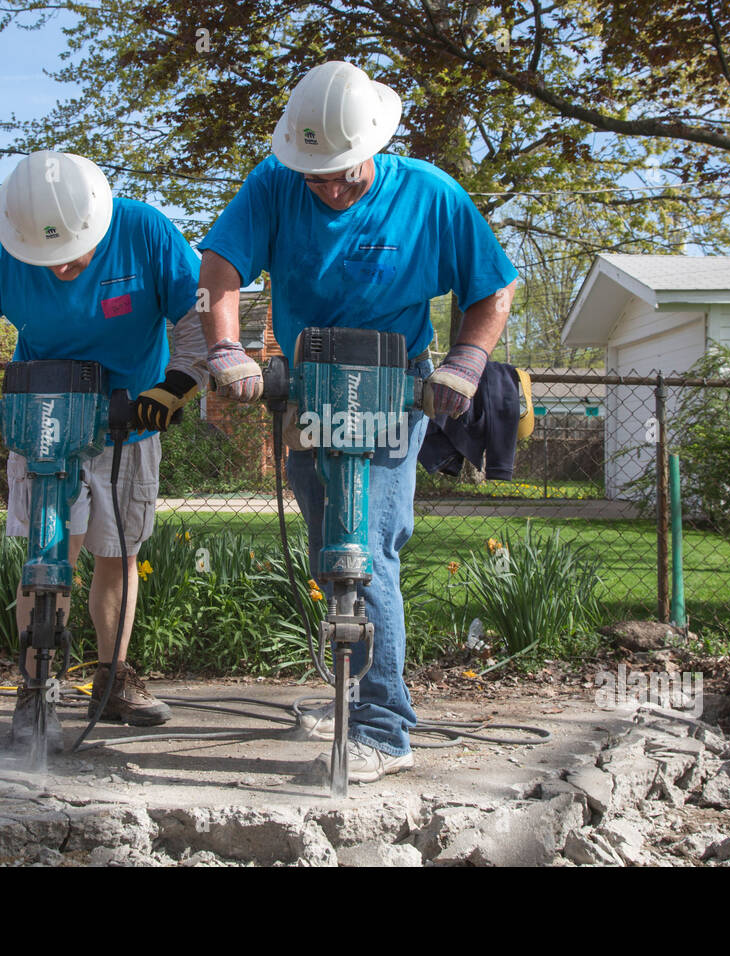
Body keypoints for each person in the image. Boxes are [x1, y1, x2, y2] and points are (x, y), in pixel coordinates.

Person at [198, 61, 518, 782]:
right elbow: (219, 270)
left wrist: (466, 364)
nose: (330, 189)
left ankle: (384, 727)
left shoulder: (431, 196)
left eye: (343, 173)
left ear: (373, 143)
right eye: (317, 177)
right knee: (330, 549)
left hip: (390, 387)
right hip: (310, 383)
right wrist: (226, 348)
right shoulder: (275, 183)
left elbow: (492, 291)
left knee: (366, 549)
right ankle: (351, 684)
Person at [0, 150, 208, 751]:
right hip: (43, 418)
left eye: (70, 256)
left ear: (98, 222)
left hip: (128, 423)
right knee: (47, 556)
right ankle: (36, 690)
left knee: (117, 553)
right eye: (45, 259)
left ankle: (113, 680)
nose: (59, 269)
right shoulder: (5, 243)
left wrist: (178, 382)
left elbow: (197, 312)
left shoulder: (146, 230)